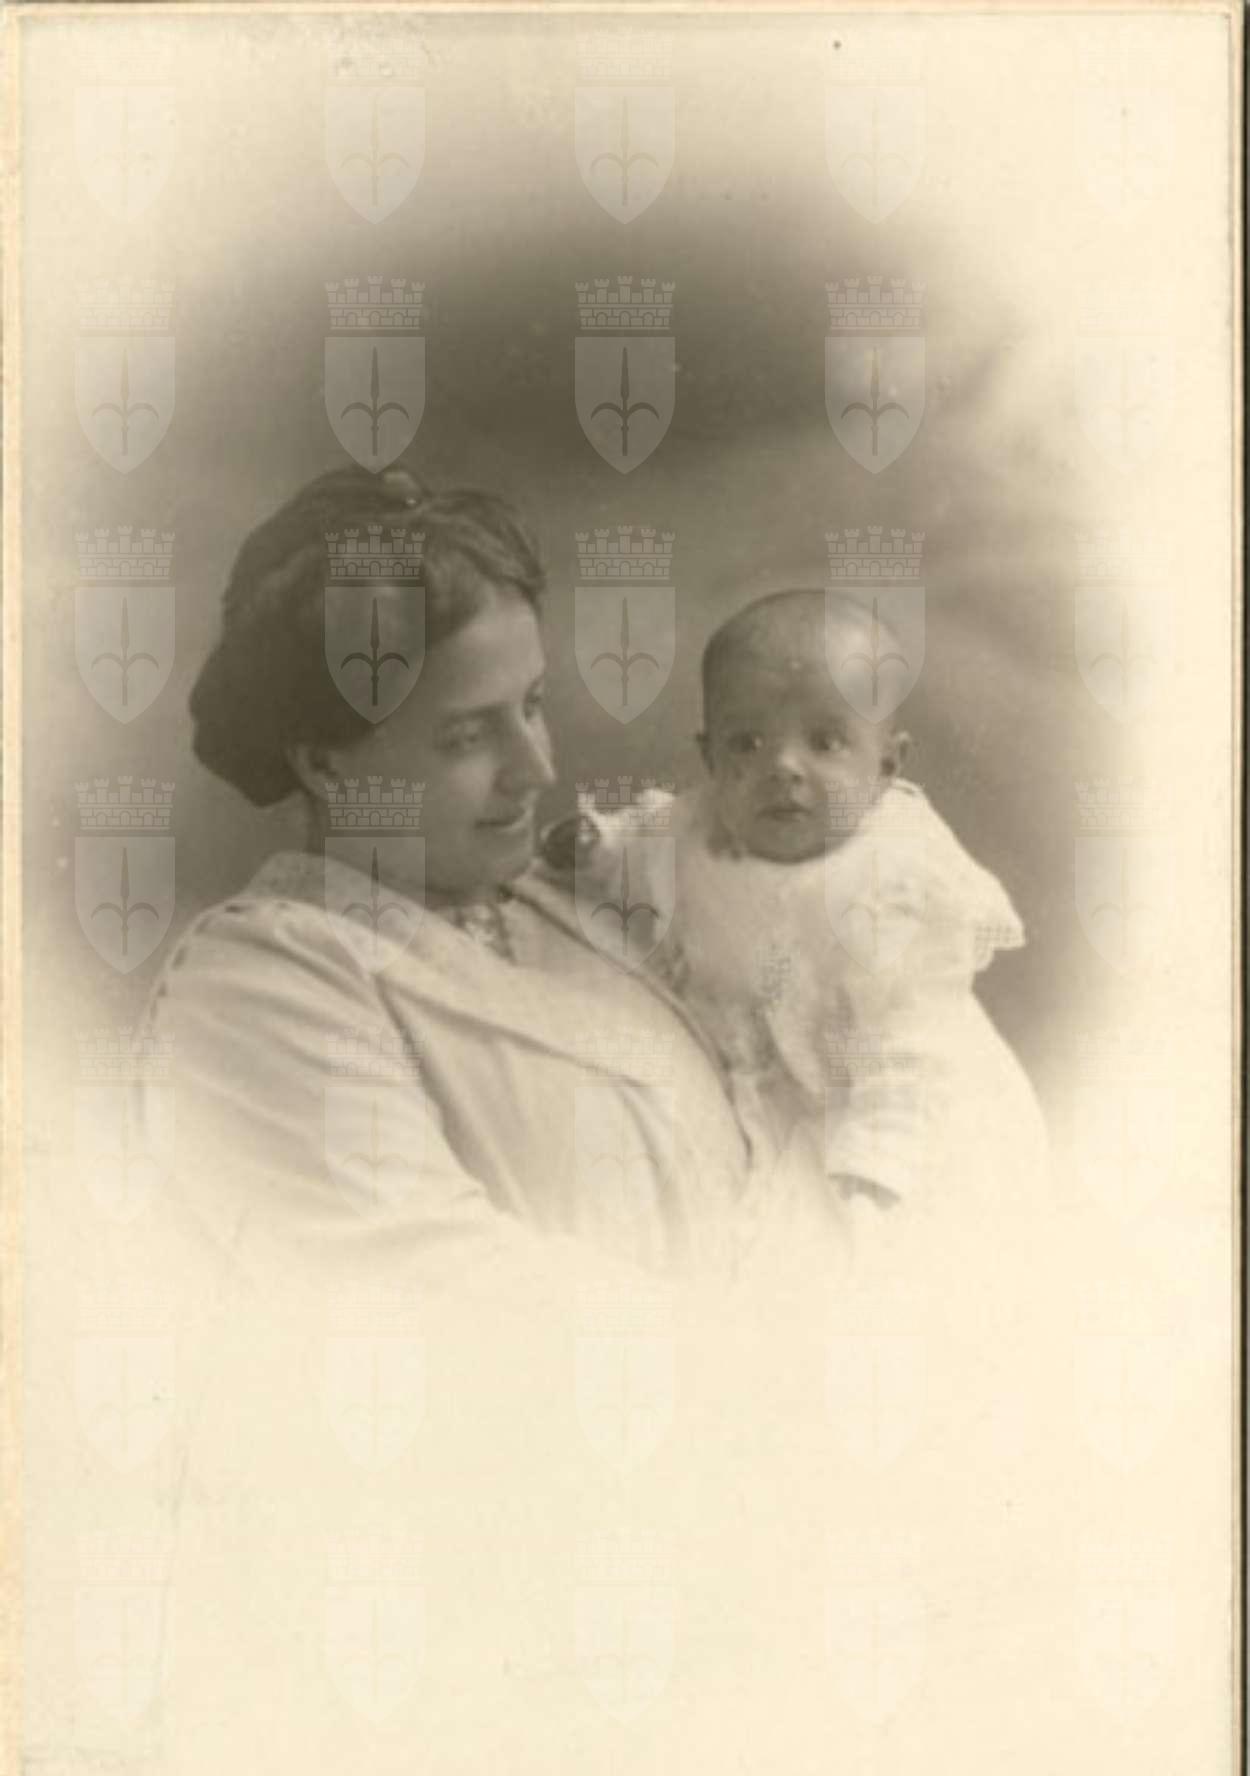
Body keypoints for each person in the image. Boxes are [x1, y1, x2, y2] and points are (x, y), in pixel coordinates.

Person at [139, 465, 762, 1315]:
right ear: (325, 763)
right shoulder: (258, 988)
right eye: (467, 737)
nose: (537, 769)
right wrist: (773, 1350)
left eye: (533, 705)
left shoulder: (582, 903)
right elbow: (444, 1306)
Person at [541, 589, 1050, 1265]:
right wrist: (591, 848)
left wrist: (876, 1164)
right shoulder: (699, 824)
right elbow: (643, 839)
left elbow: (910, 1047)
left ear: (885, 766)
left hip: (909, 1116)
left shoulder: (893, 879)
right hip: (778, 1099)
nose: (782, 766)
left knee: (902, 1257)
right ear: (710, 758)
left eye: (826, 741)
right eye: (747, 743)